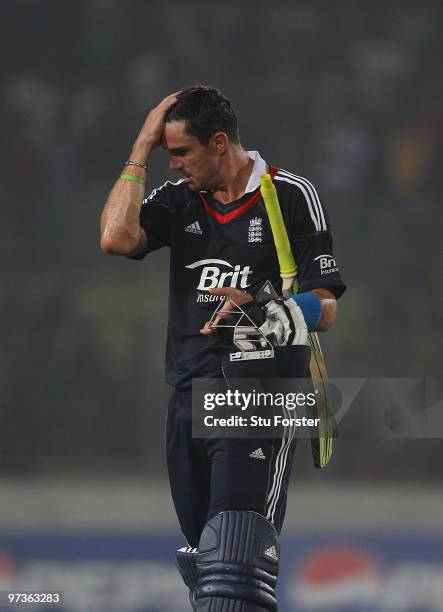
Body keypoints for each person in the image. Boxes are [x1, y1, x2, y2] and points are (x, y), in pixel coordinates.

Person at [100, 85, 345, 611]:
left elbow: (327, 307)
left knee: (235, 566)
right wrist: (139, 148)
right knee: (205, 569)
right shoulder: (178, 200)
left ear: (218, 143)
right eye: (165, 155)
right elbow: (115, 238)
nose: (174, 166)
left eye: (180, 153)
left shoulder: (289, 195)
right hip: (187, 398)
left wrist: (264, 307)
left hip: (258, 396)